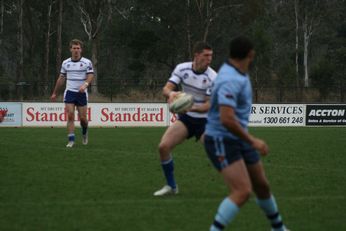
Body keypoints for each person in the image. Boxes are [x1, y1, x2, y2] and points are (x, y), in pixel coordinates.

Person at [204, 36, 289, 231]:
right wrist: (253, 141)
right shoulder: (229, 79)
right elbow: (226, 119)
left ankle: (278, 228)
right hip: (222, 139)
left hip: (238, 137)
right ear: (251, 54)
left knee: (262, 186)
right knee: (242, 192)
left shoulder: (236, 70)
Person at [153, 41, 217, 196]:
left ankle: (240, 182)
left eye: (211, 56)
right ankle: (171, 186)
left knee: (216, 152)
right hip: (187, 119)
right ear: (196, 55)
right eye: (206, 55)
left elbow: (209, 105)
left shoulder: (213, 77)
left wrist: (190, 107)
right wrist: (171, 94)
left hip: (206, 120)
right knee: (163, 147)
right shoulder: (182, 68)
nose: (209, 59)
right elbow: (167, 88)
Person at [51, 39, 94, 148]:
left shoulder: (87, 62)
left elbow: (90, 75)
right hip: (70, 92)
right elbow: (61, 78)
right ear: (70, 49)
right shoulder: (66, 63)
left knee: (83, 119)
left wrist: (85, 84)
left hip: (82, 93)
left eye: (78, 48)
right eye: (74, 48)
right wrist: (55, 93)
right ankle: (71, 140)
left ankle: (84, 132)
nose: (76, 50)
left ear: (81, 50)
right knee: (70, 115)